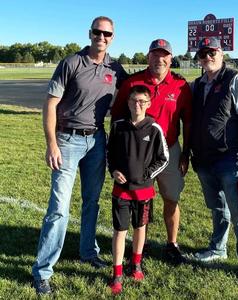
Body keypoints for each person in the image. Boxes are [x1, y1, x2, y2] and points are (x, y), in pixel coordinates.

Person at [32, 16, 128, 295]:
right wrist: (52, 143)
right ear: (90, 33)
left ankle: (88, 251)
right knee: (59, 207)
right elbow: (50, 105)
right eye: (97, 32)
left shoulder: (115, 67)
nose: (102, 37)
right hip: (67, 139)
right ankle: (42, 271)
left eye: (107, 33)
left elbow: (138, 86)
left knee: (92, 201)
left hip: (97, 140)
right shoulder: (71, 63)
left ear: (112, 37)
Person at [111, 39, 192, 264]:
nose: (160, 59)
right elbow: (117, 118)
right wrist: (118, 157)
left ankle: (172, 244)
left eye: (164, 55)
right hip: (138, 153)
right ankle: (140, 245)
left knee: (171, 198)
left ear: (171, 58)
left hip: (170, 150)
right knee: (137, 198)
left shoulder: (180, 85)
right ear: (148, 57)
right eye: (155, 55)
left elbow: (189, 121)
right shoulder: (133, 82)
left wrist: (186, 153)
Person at [190, 37, 238, 286]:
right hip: (204, 159)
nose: (208, 57)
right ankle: (218, 248)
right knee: (218, 209)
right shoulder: (196, 85)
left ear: (222, 53)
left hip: (231, 158)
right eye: (203, 53)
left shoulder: (235, 79)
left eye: (212, 52)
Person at [107, 85, 169, 295]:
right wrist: (114, 170)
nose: (137, 104)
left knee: (140, 227)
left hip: (144, 191)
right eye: (134, 100)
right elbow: (110, 154)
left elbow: (164, 158)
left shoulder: (154, 128)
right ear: (128, 102)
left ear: (149, 104)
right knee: (119, 231)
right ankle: (116, 274)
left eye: (142, 101)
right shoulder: (118, 126)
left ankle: (136, 264)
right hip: (121, 191)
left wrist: (146, 175)